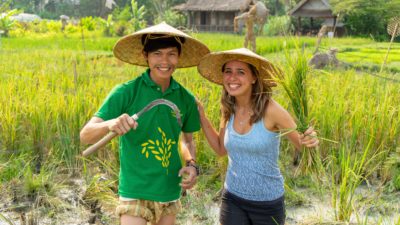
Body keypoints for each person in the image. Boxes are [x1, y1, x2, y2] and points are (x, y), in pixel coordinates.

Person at [80, 22, 210, 225]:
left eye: (171, 54)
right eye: (157, 54)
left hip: (169, 188)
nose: (165, 61)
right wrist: (111, 123)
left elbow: (186, 141)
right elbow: (85, 135)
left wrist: (191, 164)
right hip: (135, 189)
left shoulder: (185, 99)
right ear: (145, 56)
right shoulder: (125, 92)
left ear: (179, 56)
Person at [196, 48, 319, 225]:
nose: (232, 78)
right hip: (232, 198)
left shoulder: (272, 110)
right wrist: (202, 116)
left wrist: (310, 141)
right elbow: (221, 149)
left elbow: (304, 147)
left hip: (267, 204)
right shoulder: (228, 108)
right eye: (228, 72)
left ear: (254, 78)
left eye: (241, 72)